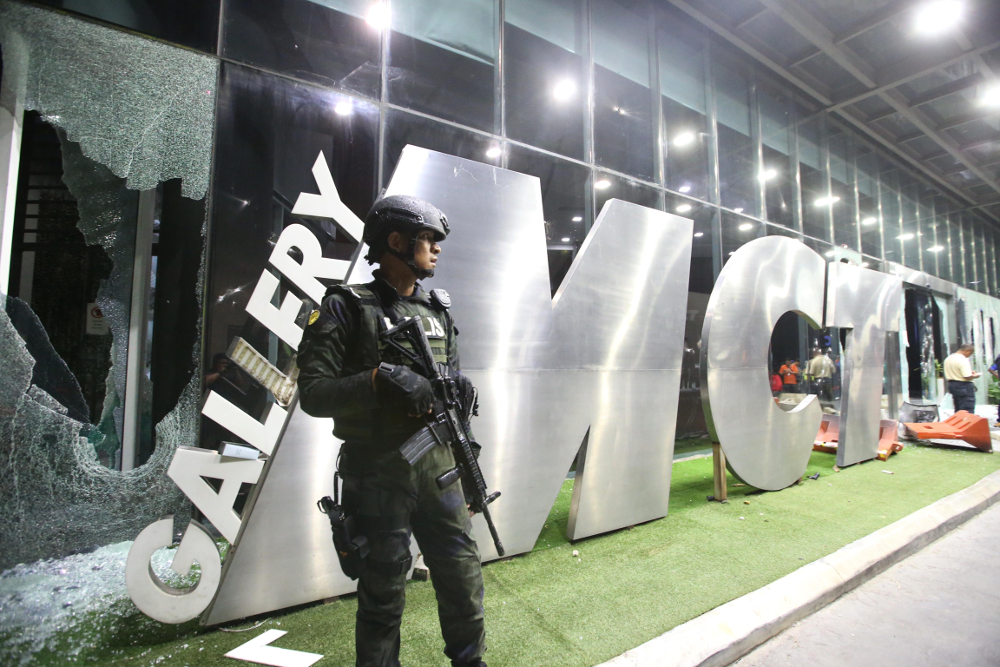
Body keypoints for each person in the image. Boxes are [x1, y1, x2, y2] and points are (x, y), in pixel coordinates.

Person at [297, 195, 487, 667]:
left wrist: (467, 457)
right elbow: (314, 393)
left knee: (463, 579)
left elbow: (450, 398)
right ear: (396, 241)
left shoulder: (438, 310)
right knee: (383, 594)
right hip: (380, 474)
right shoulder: (346, 307)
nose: (437, 249)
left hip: (441, 470)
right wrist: (379, 381)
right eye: (429, 240)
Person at [943, 343, 981, 414]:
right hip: (964, 386)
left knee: (958, 408)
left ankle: (958, 424)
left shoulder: (948, 358)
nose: (969, 356)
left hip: (952, 385)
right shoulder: (962, 359)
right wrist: (975, 375)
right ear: (967, 351)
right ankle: (968, 424)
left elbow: (957, 371)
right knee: (967, 409)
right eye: (970, 353)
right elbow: (967, 376)